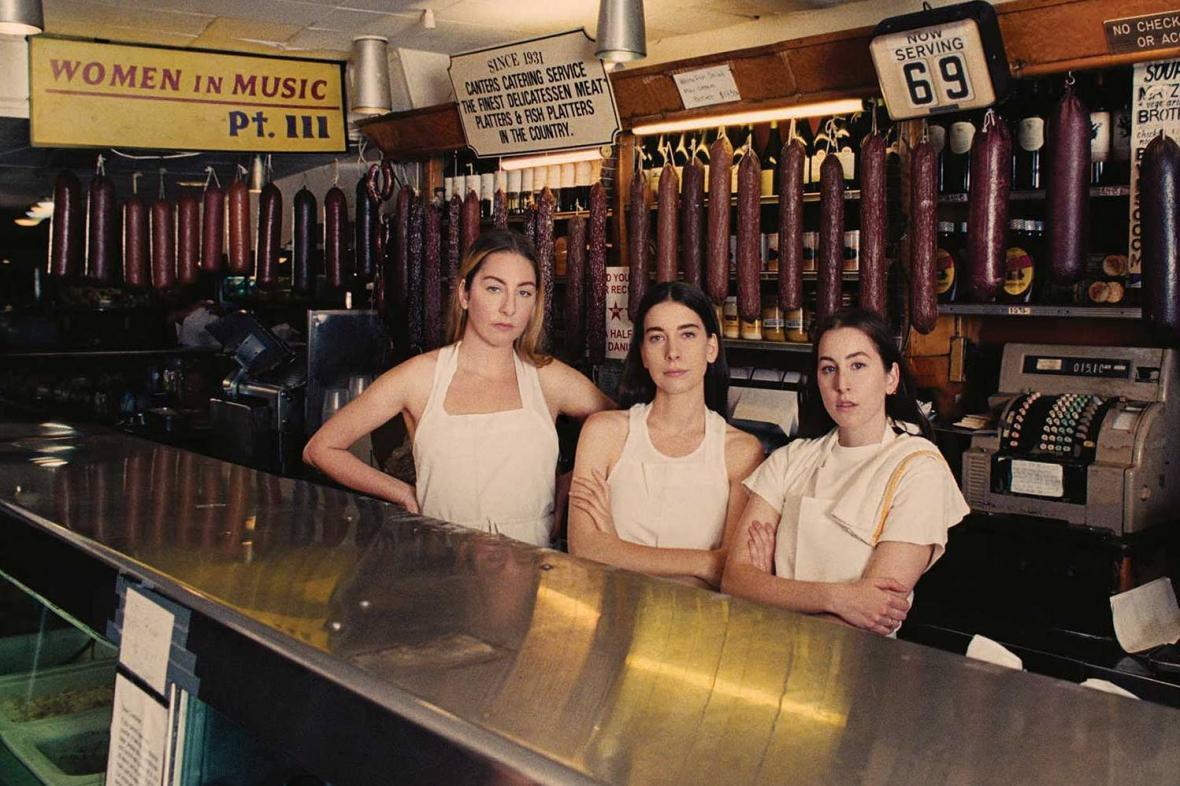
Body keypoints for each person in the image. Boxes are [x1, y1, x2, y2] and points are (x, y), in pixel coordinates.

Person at [303, 230, 613, 547]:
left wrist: (570, 482)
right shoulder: (419, 377)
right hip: (443, 560)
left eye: (524, 293)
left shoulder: (550, 379)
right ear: (465, 294)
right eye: (494, 288)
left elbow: (629, 434)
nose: (509, 307)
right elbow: (321, 449)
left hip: (533, 562)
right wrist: (403, 493)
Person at [721, 308, 969, 635]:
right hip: (770, 655)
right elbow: (735, 580)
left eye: (858, 365)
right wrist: (839, 597)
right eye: (829, 369)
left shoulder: (919, 468)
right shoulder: (791, 459)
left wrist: (772, 590)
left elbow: (875, 612)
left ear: (891, 378)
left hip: (859, 658)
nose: (842, 385)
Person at [568, 282, 764, 588]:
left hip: (698, 616)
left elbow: (731, 573)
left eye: (688, 335)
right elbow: (584, 548)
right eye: (657, 337)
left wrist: (614, 546)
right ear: (644, 354)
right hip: (611, 609)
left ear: (711, 348)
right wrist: (705, 562)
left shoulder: (741, 451)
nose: (672, 353)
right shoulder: (603, 432)